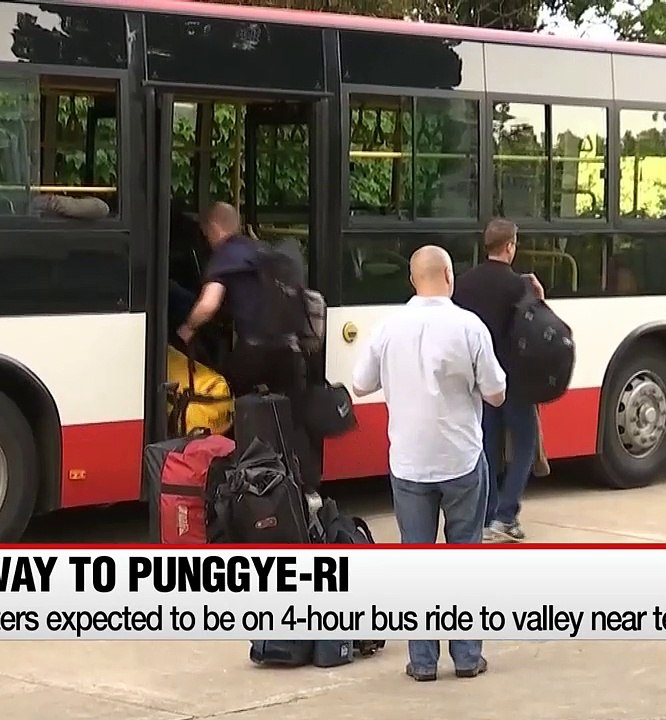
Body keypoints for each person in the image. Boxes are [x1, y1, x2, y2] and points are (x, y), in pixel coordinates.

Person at [351, 245, 506, 682]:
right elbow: (497, 393)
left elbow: (360, 384)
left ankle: (422, 662)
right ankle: (467, 657)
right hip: (461, 461)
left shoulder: (387, 328)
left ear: (413, 280)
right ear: (450, 277)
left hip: (409, 463)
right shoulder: (470, 327)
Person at [177, 201, 320, 486]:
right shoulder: (263, 250)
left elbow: (208, 304)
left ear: (215, 228)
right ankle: (300, 484)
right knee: (289, 418)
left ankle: (239, 481)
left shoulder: (226, 256)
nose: (207, 240)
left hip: (254, 351)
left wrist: (187, 328)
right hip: (290, 352)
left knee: (228, 407)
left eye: (207, 234)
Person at [451, 218, 544, 543]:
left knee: (488, 447)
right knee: (524, 446)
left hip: (478, 381)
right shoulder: (519, 285)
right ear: (509, 246)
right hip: (514, 381)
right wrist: (539, 297)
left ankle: (487, 516)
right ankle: (506, 516)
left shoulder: (464, 283)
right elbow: (536, 329)